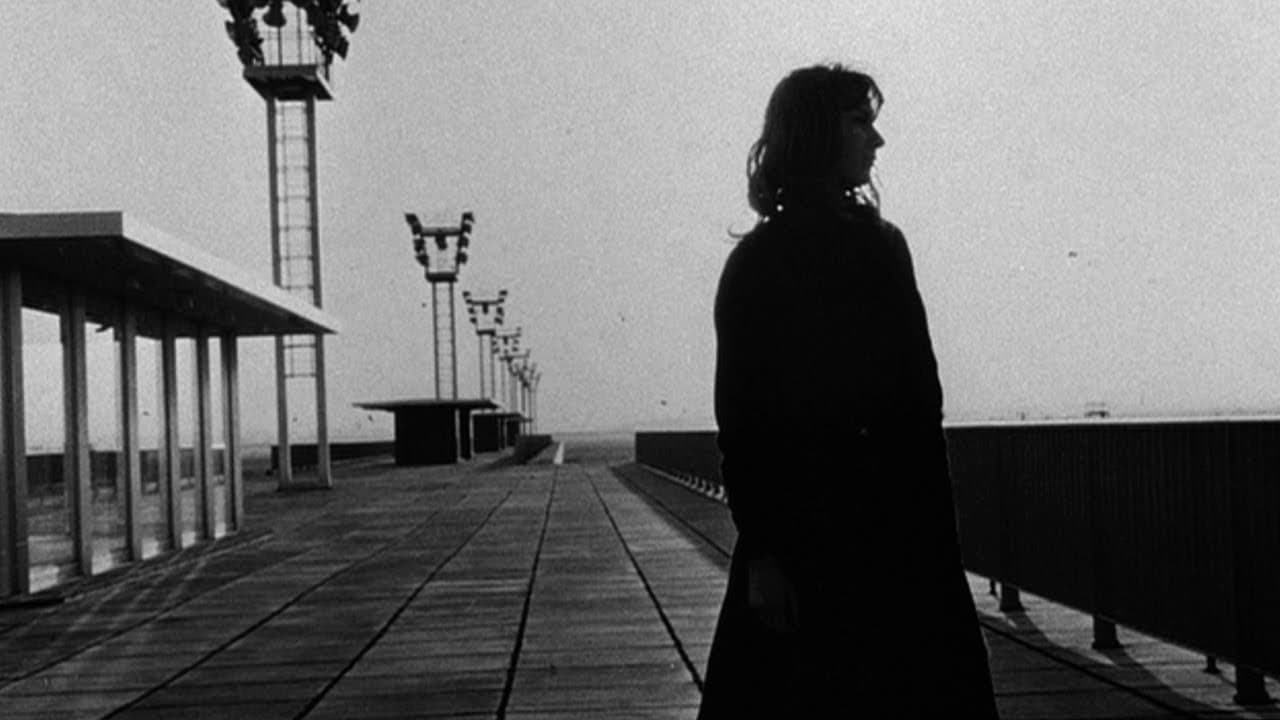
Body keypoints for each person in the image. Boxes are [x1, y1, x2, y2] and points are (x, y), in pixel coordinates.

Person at [697, 64, 1000, 718]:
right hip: (849, 543)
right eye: (860, 122)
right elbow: (745, 425)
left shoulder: (839, 253)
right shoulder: (787, 262)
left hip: (866, 541)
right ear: (815, 133)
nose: (877, 140)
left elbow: (917, 408)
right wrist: (766, 557)